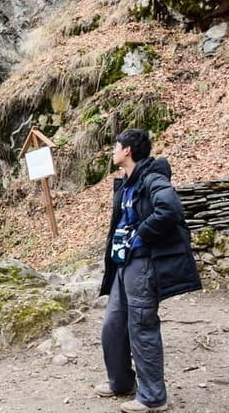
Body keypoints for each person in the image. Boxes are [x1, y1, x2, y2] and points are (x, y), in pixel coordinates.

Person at [96, 129, 201, 413]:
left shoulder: (152, 178)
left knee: (141, 326)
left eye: (116, 146)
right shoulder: (127, 184)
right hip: (123, 263)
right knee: (112, 326)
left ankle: (154, 397)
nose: (113, 151)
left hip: (143, 263)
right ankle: (121, 382)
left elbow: (169, 209)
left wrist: (140, 235)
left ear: (127, 150)